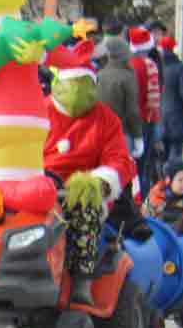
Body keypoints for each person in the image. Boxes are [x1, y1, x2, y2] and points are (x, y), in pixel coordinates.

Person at [43, 40, 137, 276]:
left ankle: (80, 279)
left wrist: (100, 181)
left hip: (83, 190)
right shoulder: (39, 112)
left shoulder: (106, 119)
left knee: (85, 213)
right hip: (42, 187)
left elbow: (119, 159)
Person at [94, 35, 143, 159]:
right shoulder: (127, 77)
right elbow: (132, 111)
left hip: (98, 134)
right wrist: (138, 136)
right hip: (122, 133)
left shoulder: (98, 75)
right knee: (124, 172)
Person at [126, 25, 163, 188]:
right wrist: (154, 121)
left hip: (126, 121)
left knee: (129, 164)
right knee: (144, 165)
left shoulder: (126, 64)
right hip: (144, 121)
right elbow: (154, 100)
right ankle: (143, 199)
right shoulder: (150, 65)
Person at [158, 34, 183, 165]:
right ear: (174, 48)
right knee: (175, 154)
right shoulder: (179, 68)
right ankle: (172, 180)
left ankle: (162, 180)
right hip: (177, 117)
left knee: (162, 155)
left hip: (159, 118)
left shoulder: (156, 67)